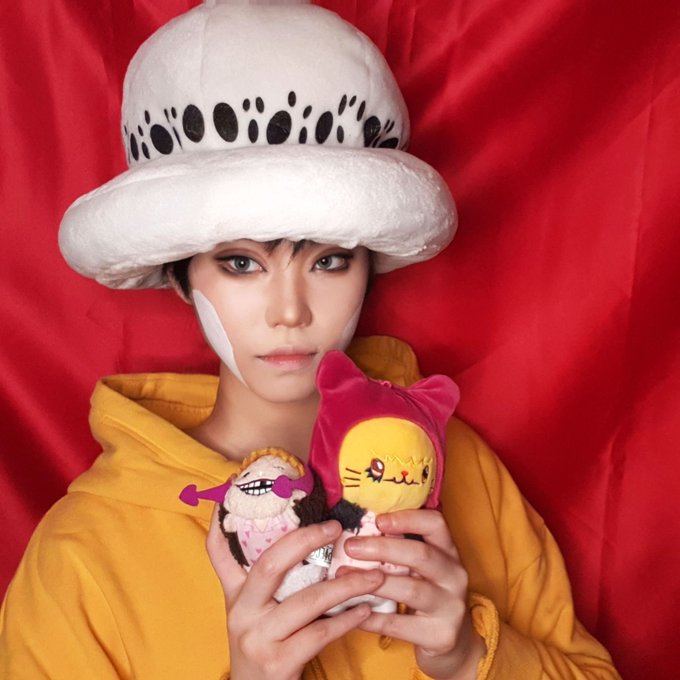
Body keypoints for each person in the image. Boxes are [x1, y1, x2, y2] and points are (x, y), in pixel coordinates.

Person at [0, 1, 620, 678]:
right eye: (241, 263)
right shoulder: (82, 555)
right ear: (179, 275)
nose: (290, 311)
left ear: (369, 267)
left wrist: (471, 658)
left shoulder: (458, 466)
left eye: (329, 261)